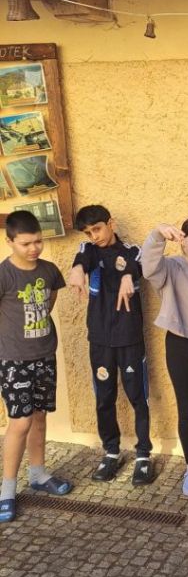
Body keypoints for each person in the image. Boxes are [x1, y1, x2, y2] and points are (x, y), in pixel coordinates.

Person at [69, 204, 153, 486]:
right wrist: (77, 271)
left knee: (138, 397)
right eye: (88, 232)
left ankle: (143, 455)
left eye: (97, 229)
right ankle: (111, 451)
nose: (94, 236)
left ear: (111, 224)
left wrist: (128, 275)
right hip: (100, 341)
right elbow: (82, 258)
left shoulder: (132, 251)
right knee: (104, 398)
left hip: (130, 340)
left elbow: (138, 264)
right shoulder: (89, 250)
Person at [0, 209, 72, 522]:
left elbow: (49, 300)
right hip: (13, 359)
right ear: (10, 241)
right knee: (20, 422)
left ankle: (39, 474)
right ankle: (7, 490)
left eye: (38, 241)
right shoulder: (4, 275)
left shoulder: (49, 270)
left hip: (44, 354)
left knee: (40, 416)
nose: (34, 248)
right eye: (26, 243)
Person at [141, 219, 188, 496]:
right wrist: (157, 234)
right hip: (179, 344)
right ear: (183, 241)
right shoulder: (171, 267)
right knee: (187, 409)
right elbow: (148, 266)